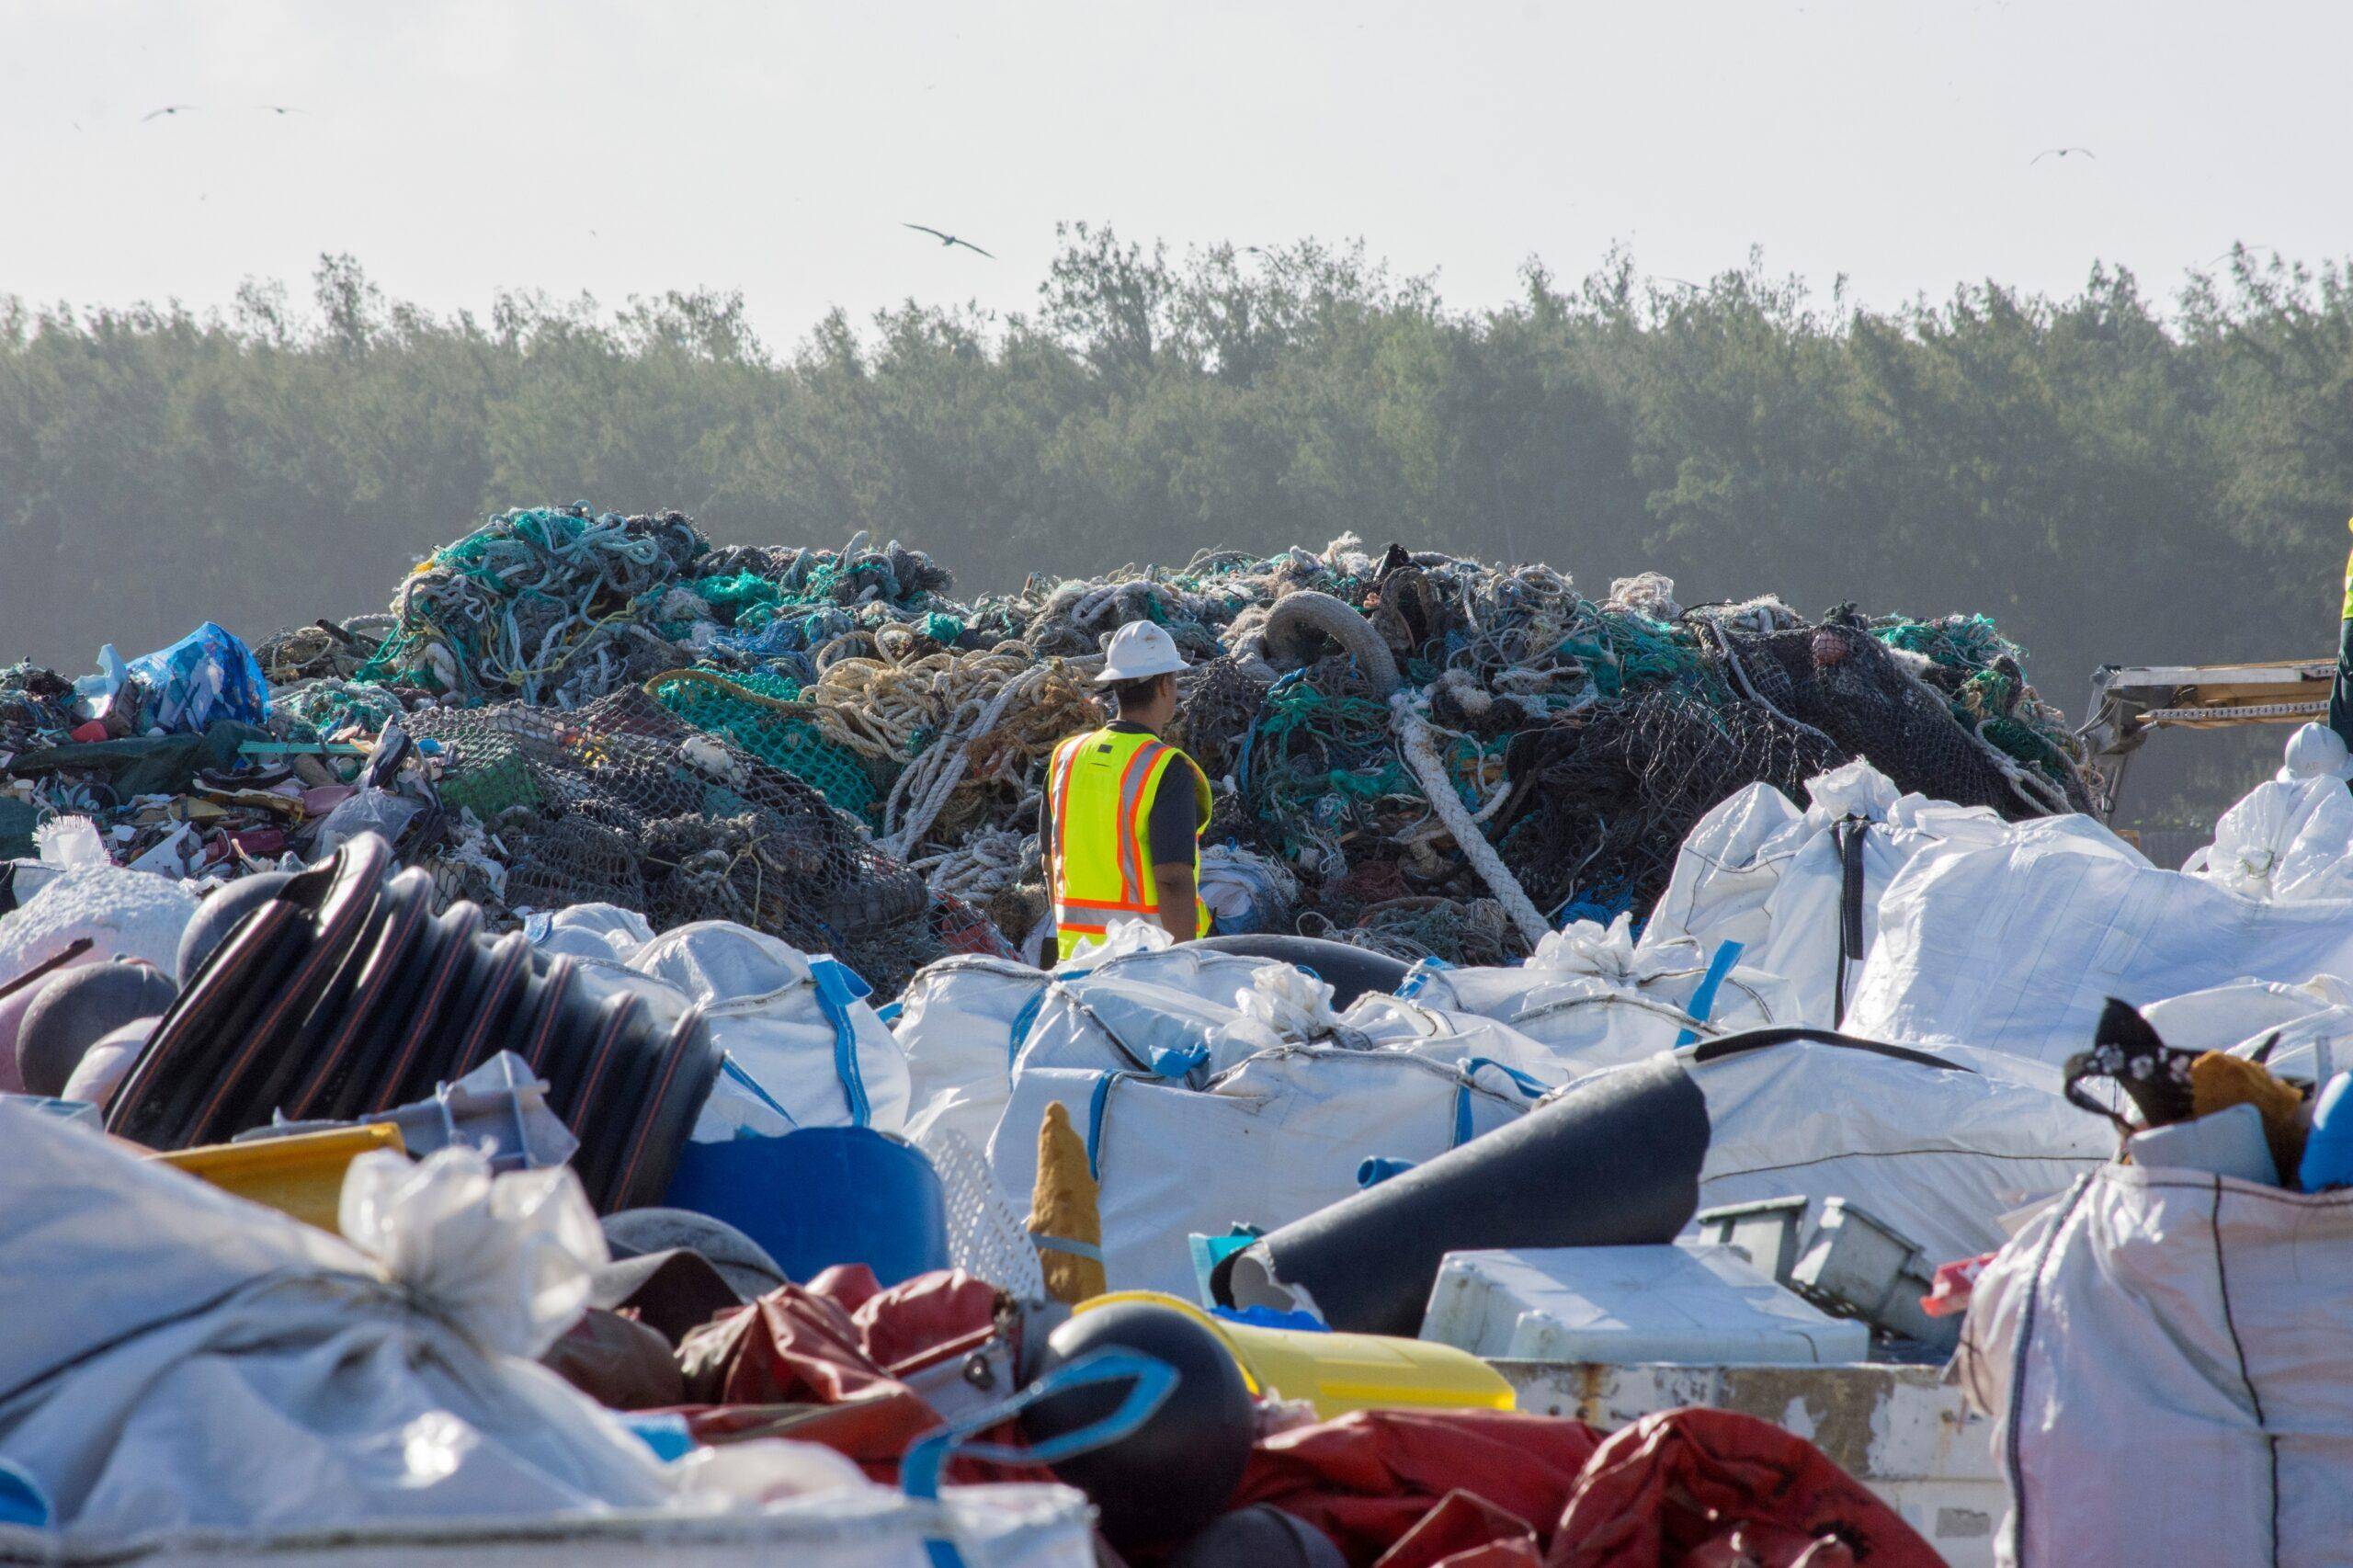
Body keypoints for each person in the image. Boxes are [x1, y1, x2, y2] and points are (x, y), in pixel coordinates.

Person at [1040, 620, 1214, 961]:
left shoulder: (1066, 757)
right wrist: (1184, 963)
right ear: (1165, 685)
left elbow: (1049, 865)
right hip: (1146, 966)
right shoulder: (1165, 767)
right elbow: (1173, 879)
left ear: (1116, 685)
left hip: (1076, 962)